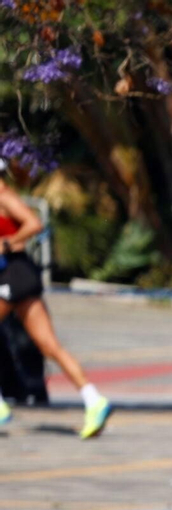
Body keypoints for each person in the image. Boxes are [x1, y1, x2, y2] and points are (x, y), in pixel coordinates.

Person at [0, 164, 111, 438]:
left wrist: (7, 242)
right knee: (50, 346)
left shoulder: (4, 196)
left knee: (49, 345)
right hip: (19, 275)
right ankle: (93, 399)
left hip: (14, 274)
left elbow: (34, 223)